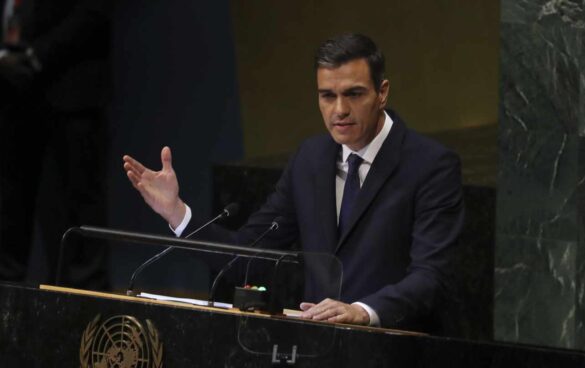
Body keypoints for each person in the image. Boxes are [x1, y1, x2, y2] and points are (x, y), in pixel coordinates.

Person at [123, 33, 464, 333]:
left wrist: (364, 312)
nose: (339, 110)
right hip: (317, 350)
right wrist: (178, 214)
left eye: (354, 94)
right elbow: (248, 257)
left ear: (382, 92)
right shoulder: (311, 160)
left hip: (393, 350)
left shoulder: (429, 165)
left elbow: (431, 276)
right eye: (327, 96)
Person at [0, 0, 113, 289]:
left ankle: (81, 312)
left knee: (75, 210)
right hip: (10, 92)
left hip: (69, 90)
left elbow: (94, 12)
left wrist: (36, 56)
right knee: (9, 208)